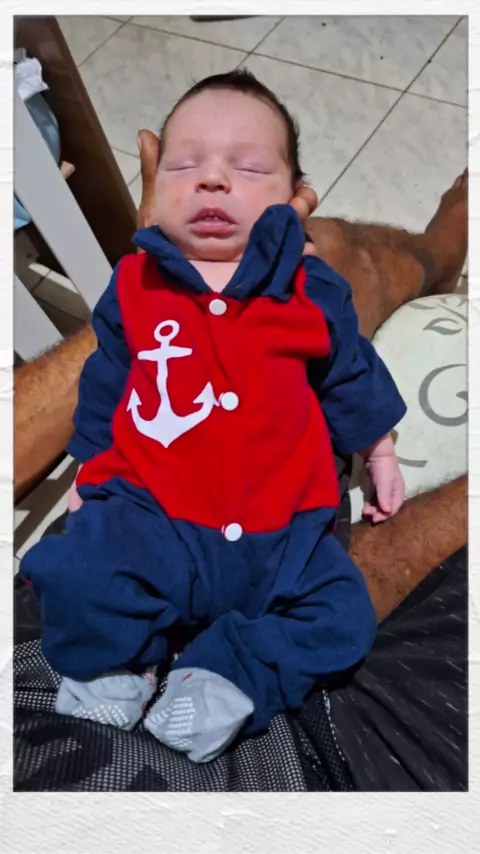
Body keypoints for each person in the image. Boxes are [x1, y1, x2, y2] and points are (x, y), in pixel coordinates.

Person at [13, 72, 467, 790]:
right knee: (73, 572)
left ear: (294, 199)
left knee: (341, 616)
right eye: (185, 165)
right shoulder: (135, 286)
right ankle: (115, 665)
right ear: (156, 192)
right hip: (150, 516)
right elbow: (108, 380)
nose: (213, 179)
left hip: (283, 534)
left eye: (249, 168)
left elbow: (348, 370)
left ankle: (227, 674)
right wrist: (93, 466)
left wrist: (379, 449)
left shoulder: (312, 289)